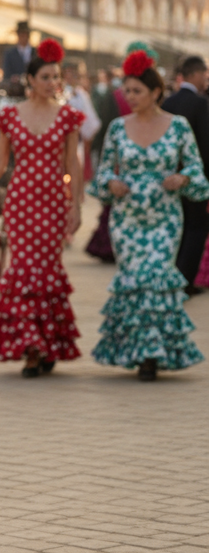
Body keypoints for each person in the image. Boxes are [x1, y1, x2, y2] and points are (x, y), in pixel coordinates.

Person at [88, 50, 207, 379]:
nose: (130, 97)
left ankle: (152, 355)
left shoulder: (179, 127)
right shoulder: (116, 128)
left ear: (156, 92)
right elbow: (100, 176)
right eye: (127, 91)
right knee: (135, 283)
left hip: (165, 219)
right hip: (126, 222)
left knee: (156, 278)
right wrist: (111, 183)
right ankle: (140, 351)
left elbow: (197, 172)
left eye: (137, 91)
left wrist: (182, 179)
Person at [0, 39, 84, 376]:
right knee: (22, 269)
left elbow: (73, 165)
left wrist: (76, 205)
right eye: (47, 77)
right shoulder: (10, 114)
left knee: (47, 269)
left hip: (53, 201)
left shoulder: (68, 116)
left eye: (57, 77)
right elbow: (0, 162)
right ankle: (31, 348)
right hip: (20, 203)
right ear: (31, 80)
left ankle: (47, 344)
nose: (53, 83)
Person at [161, 55, 209, 292]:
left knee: (178, 228)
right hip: (193, 176)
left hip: (170, 177)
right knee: (197, 227)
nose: (206, 80)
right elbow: (205, 145)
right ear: (195, 74)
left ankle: (174, 275)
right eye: (205, 75)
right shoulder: (201, 104)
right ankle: (185, 280)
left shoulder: (168, 102)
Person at [61, 60, 101, 183]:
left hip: (76, 140)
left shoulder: (81, 94)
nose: (71, 76)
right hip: (59, 140)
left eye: (74, 73)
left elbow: (91, 121)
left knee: (74, 174)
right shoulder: (59, 92)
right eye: (68, 73)